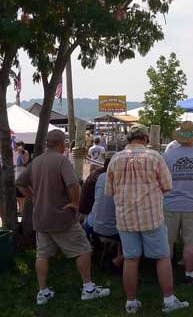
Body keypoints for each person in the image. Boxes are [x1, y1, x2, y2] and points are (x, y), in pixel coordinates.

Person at [15, 130, 110, 306]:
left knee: (42, 254)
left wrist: (33, 196)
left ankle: (43, 293)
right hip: (61, 216)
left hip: (41, 217)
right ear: (61, 144)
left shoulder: (36, 161)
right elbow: (73, 184)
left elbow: (19, 182)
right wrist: (75, 203)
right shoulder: (62, 160)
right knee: (83, 249)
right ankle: (88, 289)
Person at [105, 124, 189, 314]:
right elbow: (167, 186)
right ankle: (168, 300)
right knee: (162, 257)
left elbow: (109, 192)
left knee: (130, 259)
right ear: (146, 138)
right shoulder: (154, 157)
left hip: (125, 218)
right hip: (151, 216)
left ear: (128, 139)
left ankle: (131, 302)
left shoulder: (115, 160)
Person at [163, 122, 193, 284]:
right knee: (190, 242)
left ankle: (166, 272)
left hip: (169, 204)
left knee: (168, 241)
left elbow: (159, 182)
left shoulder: (167, 157)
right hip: (192, 204)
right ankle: (189, 274)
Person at [86, 153, 123, 268]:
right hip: (113, 230)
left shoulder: (101, 177)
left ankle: (92, 250)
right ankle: (119, 260)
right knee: (134, 233)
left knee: (86, 223)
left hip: (95, 226)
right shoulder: (123, 180)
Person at [14, 141, 29, 215]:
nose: (17, 147)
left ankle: (21, 211)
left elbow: (25, 162)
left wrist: (21, 153)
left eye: (18, 145)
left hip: (22, 176)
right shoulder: (15, 153)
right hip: (16, 176)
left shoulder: (25, 152)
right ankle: (19, 210)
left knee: (21, 196)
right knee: (17, 196)